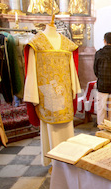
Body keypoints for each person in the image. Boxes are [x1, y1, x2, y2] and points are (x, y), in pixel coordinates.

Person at [23, 22, 81, 166]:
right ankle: (54, 163)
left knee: (66, 132)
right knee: (51, 132)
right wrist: (33, 96)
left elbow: (72, 71)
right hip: (46, 99)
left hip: (64, 98)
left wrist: (74, 89)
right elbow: (31, 73)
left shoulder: (67, 44)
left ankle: (67, 160)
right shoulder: (37, 43)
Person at [93, 32, 111, 125]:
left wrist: (101, 78)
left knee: (101, 109)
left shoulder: (99, 53)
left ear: (104, 41)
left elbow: (95, 69)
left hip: (102, 86)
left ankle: (102, 129)